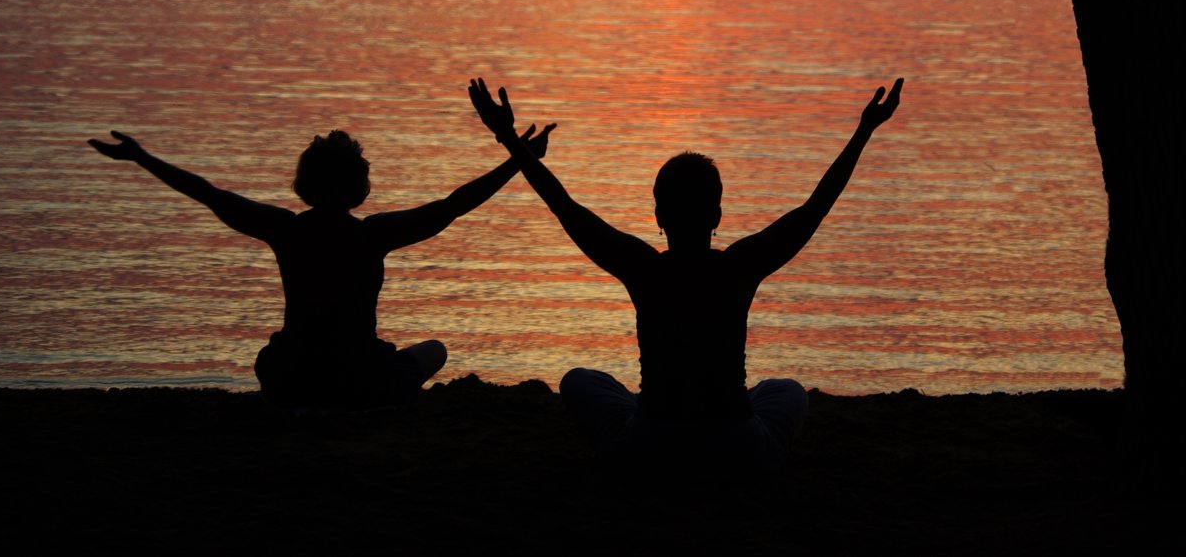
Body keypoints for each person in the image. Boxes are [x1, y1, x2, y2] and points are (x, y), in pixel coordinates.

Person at [468, 76, 902, 470]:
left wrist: (508, 137)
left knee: (579, 382)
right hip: (735, 446)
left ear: (658, 216)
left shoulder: (643, 268)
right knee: (785, 390)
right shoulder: (739, 266)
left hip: (652, 445)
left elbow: (563, 205)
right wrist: (864, 130)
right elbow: (815, 208)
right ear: (717, 215)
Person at [88, 119, 554, 409]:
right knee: (433, 350)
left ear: (304, 184)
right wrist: (520, 157)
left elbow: (210, 194)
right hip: (361, 382)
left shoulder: (286, 230)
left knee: (274, 361)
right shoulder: (373, 234)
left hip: (292, 379)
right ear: (359, 188)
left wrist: (142, 158)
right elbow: (456, 203)